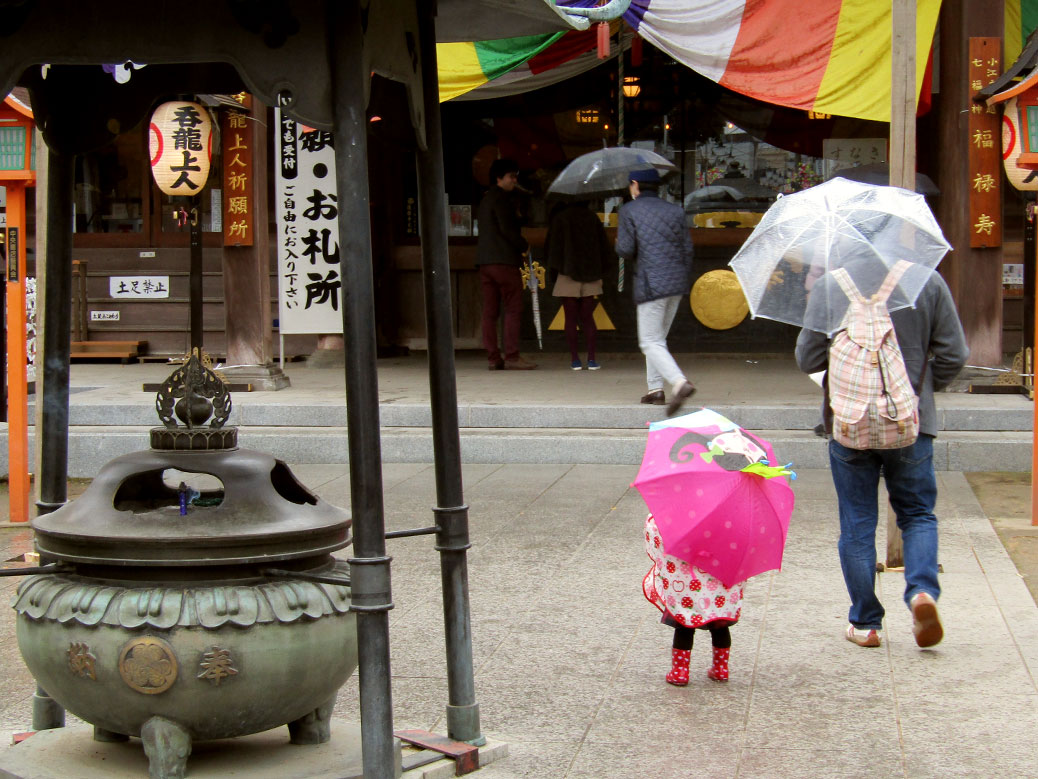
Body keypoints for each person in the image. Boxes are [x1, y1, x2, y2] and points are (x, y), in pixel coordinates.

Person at [795, 263, 968, 649]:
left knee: (856, 522)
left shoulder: (830, 286)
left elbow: (807, 359)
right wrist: (916, 392)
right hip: (911, 424)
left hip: (849, 425)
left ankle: (865, 623)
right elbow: (954, 353)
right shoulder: (927, 280)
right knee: (918, 513)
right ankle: (921, 592)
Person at [615, 168, 696, 415]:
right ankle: (655, 389)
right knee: (658, 339)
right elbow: (688, 249)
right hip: (676, 283)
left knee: (649, 341)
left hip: (651, 282)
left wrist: (618, 244)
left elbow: (627, 250)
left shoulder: (628, 210)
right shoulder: (675, 210)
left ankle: (679, 383)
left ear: (635, 185)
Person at [643, 514, 742, 685]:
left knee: (684, 626)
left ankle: (680, 671)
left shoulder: (686, 516)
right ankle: (721, 669)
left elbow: (657, 531)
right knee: (720, 626)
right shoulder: (730, 520)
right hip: (718, 590)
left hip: (688, 587)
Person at [476, 158, 536, 370]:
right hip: (504, 261)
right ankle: (512, 355)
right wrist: (523, 245)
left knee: (490, 312)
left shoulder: (485, 200)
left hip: (485, 261)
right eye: (511, 176)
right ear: (499, 178)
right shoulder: (502, 200)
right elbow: (507, 229)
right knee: (513, 308)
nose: (514, 180)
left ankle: (493, 358)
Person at [544, 200, 614, 370]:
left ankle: (575, 360)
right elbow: (604, 247)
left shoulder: (561, 218)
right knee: (588, 318)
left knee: (570, 318)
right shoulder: (593, 218)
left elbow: (552, 249)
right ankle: (591, 359)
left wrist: (554, 273)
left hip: (567, 272)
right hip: (590, 273)